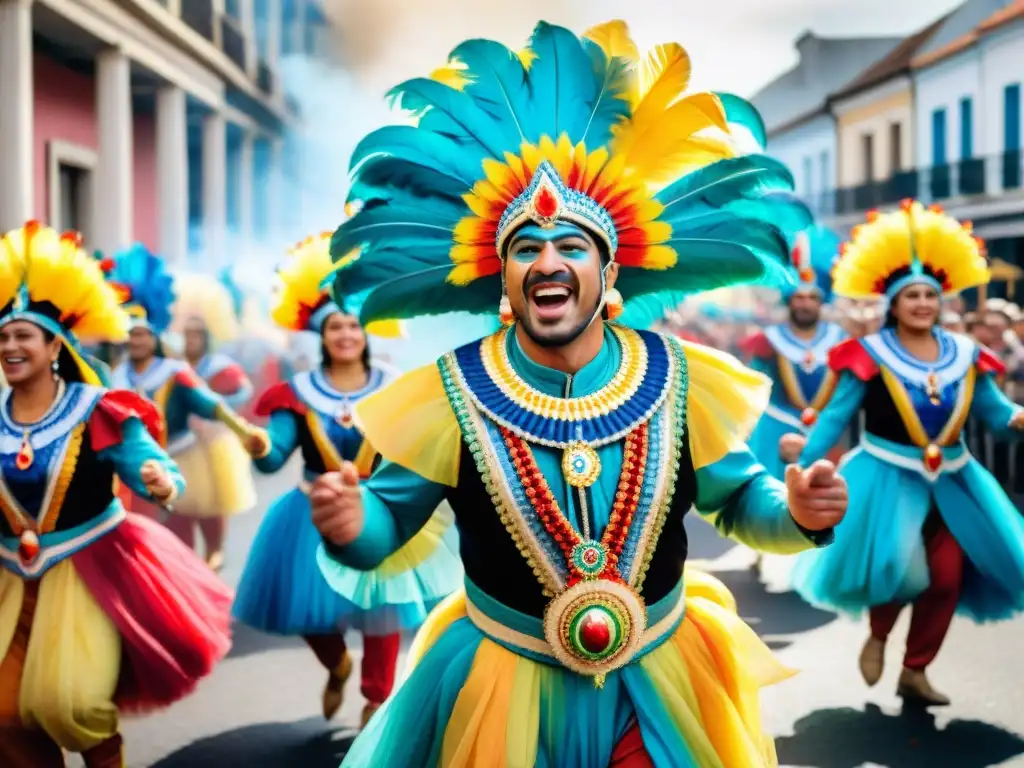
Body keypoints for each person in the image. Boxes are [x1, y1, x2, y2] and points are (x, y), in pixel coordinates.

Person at [310, 20, 848, 766]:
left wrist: (798, 514)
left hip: (660, 681)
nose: (547, 261)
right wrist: (349, 523)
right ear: (503, 280)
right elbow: (385, 530)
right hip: (505, 687)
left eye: (571, 247)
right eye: (525, 249)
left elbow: (741, 501)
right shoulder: (448, 393)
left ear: (609, 274)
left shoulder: (683, 377)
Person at [0, 222, 232, 767]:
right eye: (3, 337)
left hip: (91, 571)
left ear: (54, 345)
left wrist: (160, 478)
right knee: (7, 714)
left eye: (23, 336)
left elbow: (146, 460)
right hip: (11, 579)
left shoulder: (96, 408)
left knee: (70, 702)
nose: (10, 346)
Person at [788, 201, 1024, 705]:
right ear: (892, 305)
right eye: (911, 295)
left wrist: (1016, 419)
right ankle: (878, 634)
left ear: (940, 302)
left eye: (929, 295)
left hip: (957, 481)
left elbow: (993, 410)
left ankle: (915, 670)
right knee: (899, 570)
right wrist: (806, 464)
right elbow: (835, 416)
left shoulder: (964, 355)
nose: (921, 303)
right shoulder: (869, 354)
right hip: (885, 477)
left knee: (946, 581)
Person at [232, 234, 463, 728]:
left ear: (366, 332)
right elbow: (274, 458)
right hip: (307, 513)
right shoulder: (296, 393)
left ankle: (377, 699)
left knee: (385, 607)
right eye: (334, 326)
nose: (344, 334)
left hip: (379, 505)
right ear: (321, 336)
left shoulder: (395, 385)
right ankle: (336, 663)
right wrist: (258, 446)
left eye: (352, 325)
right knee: (308, 611)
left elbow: (414, 447)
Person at [105, 244, 269, 525]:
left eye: (143, 335)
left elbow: (210, 404)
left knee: (185, 527)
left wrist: (243, 431)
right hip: (133, 467)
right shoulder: (116, 377)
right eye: (132, 335)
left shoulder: (174, 372)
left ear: (155, 338)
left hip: (181, 458)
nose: (137, 341)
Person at [740, 226, 846, 480]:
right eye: (798, 297)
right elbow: (753, 389)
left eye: (812, 298)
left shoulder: (841, 342)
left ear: (822, 302)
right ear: (789, 301)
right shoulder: (768, 342)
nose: (805, 303)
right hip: (775, 431)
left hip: (828, 433)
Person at [168, 274, 258, 571]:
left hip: (213, 444)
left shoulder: (221, 368)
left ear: (207, 337)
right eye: (187, 334)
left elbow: (242, 393)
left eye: (197, 334)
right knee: (178, 507)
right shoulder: (172, 368)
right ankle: (186, 562)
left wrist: (213, 410)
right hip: (180, 446)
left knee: (212, 504)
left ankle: (215, 551)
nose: (191, 339)